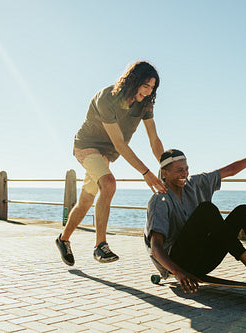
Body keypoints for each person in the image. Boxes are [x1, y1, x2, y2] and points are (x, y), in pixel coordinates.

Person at [144, 136, 246, 293]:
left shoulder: (194, 184)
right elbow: (156, 247)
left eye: (186, 169)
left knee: (243, 211)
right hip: (179, 262)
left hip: (203, 258)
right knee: (206, 210)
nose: (185, 174)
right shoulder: (159, 200)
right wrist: (179, 273)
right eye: (179, 170)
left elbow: (231, 170)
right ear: (164, 173)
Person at [56, 61, 167, 266]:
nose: (148, 90)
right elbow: (119, 143)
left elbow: (154, 139)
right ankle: (100, 246)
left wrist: (165, 166)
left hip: (106, 154)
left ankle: (63, 239)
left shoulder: (145, 104)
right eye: (145, 85)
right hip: (86, 146)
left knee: (86, 200)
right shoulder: (108, 97)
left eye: (152, 87)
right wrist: (146, 173)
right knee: (108, 183)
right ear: (133, 80)